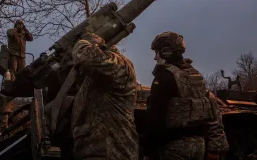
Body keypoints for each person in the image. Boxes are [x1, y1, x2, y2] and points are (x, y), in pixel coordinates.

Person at [142, 31, 229, 160]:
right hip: (199, 146)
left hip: (173, 147)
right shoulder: (195, 74)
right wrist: (214, 148)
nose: (155, 57)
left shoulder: (165, 76)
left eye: (156, 52)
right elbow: (214, 113)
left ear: (166, 51)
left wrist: (148, 152)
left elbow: (155, 117)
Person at [71, 31, 139, 160]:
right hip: (98, 152)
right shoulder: (99, 77)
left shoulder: (121, 66)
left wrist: (85, 41)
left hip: (112, 153)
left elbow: (86, 58)